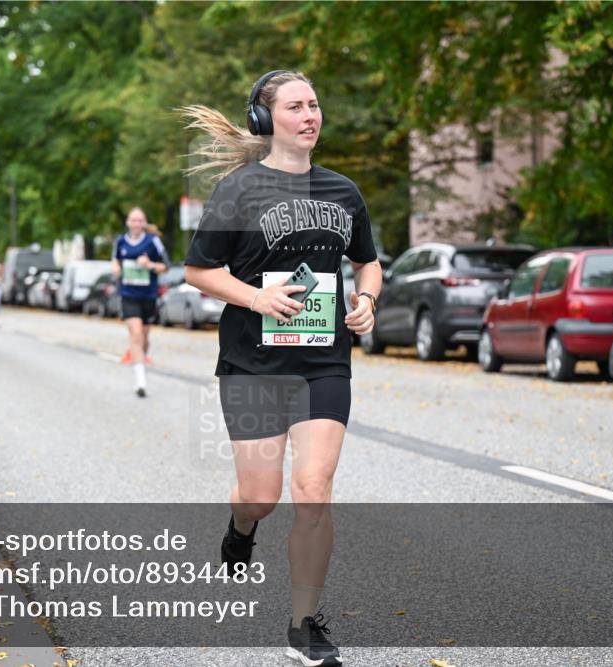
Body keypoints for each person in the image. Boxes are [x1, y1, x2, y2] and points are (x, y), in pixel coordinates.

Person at [182, 70, 381, 667]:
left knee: (313, 489)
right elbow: (199, 271)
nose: (310, 115)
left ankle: (303, 623)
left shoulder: (344, 193)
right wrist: (256, 298)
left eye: (315, 104)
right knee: (262, 497)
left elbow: (367, 263)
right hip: (251, 364)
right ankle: (240, 529)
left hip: (324, 364)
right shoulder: (238, 190)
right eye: (296, 106)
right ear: (265, 121)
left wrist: (367, 301)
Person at [111, 207, 169, 397]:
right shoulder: (120, 241)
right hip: (128, 294)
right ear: (127, 222)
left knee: (143, 338)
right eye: (133, 220)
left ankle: (140, 363)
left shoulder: (153, 242)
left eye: (140, 220)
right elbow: (115, 262)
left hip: (148, 296)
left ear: (144, 223)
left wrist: (150, 265)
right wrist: (116, 269)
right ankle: (140, 381)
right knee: (135, 334)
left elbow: (166, 267)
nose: (136, 223)